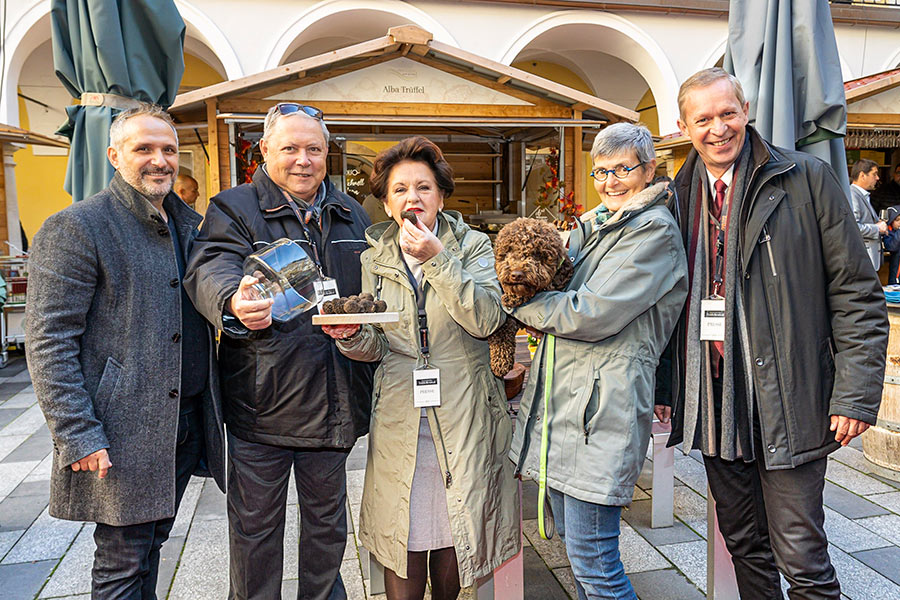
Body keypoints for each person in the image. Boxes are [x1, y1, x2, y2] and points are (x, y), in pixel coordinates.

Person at [657, 67, 887, 599]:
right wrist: (667, 390)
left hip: (789, 398)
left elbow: (856, 293)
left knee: (801, 557)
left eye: (727, 114)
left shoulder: (805, 178)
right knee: (743, 546)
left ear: (746, 112)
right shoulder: (675, 196)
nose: (718, 129)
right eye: (704, 119)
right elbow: (667, 307)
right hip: (715, 402)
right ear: (684, 125)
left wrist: (854, 396)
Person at [24, 103, 225, 599]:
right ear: (114, 155)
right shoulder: (77, 226)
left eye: (169, 150)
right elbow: (49, 340)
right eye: (144, 149)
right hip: (121, 431)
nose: (159, 160)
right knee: (121, 560)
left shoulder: (190, 225)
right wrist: (78, 434)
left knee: (151, 545)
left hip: (184, 422)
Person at [184, 102, 374, 600]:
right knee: (255, 533)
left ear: (327, 153)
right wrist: (233, 299)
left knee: (328, 530)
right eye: (289, 148)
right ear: (265, 150)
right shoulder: (235, 207)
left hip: (334, 400)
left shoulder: (352, 212)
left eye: (313, 149)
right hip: (262, 403)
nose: (303, 160)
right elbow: (211, 266)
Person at [320, 136, 519, 600]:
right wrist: (350, 336)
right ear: (387, 205)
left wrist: (439, 260)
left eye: (424, 188)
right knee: (401, 528)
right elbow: (377, 342)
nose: (413, 198)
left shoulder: (472, 246)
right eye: (401, 190)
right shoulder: (375, 257)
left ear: (441, 197)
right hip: (400, 410)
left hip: (464, 403)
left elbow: (488, 319)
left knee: (456, 527)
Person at [509, 123, 688, 600]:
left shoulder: (652, 232)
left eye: (623, 169)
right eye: (602, 171)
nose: (610, 181)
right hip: (571, 408)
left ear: (649, 170)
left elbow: (590, 314)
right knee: (577, 549)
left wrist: (513, 304)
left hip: (600, 414)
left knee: (596, 562)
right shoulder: (598, 226)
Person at [849, 158, 886, 270]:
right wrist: (877, 228)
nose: (877, 178)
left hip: (868, 261)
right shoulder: (853, 195)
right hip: (862, 261)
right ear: (862, 175)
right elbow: (854, 227)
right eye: (874, 174)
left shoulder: (862, 195)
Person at [883, 206, 900, 284]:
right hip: (897, 273)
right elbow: (892, 247)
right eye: (897, 220)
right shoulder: (888, 233)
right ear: (891, 221)